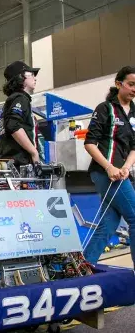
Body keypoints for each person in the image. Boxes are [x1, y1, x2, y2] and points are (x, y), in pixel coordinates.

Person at [84, 66, 135, 267]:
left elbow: (134, 147)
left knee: (108, 224)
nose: (134, 89)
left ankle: (84, 270)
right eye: (131, 84)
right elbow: (89, 143)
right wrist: (109, 167)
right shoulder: (105, 109)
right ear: (118, 84)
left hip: (122, 174)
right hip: (105, 173)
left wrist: (126, 167)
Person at [0, 61, 40, 166]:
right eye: (32, 74)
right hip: (20, 165)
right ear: (21, 77)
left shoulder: (12, 100)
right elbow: (13, 125)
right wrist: (34, 153)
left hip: (11, 164)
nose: (35, 78)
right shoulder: (20, 98)